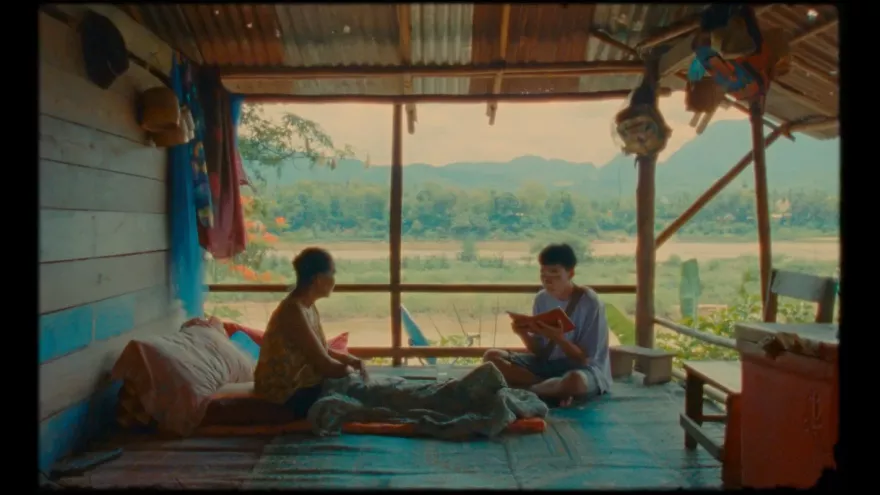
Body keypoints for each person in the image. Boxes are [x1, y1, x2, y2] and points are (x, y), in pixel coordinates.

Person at [483, 243, 612, 406]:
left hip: (584, 369)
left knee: (575, 382)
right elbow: (540, 352)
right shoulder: (541, 299)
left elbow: (584, 359)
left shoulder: (590, 302)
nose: (547, 280)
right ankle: (548, 388)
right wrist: (523, 333)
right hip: (548, 365)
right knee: (492, 357)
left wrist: (559, 338)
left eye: (554, 273)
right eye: (543, 274)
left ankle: (533, 389)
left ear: (570, 273)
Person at [254, 247, 367, 418]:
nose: (334, 280)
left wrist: (350, 360)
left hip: (301, 385)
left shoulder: (306, 306)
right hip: (285, 393)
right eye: (332, 273)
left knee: (360, 393)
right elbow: (325, 365)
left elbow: (319, 350)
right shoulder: (293, 311)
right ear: (318, 279)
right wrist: (352, 372)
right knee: (360, 398)